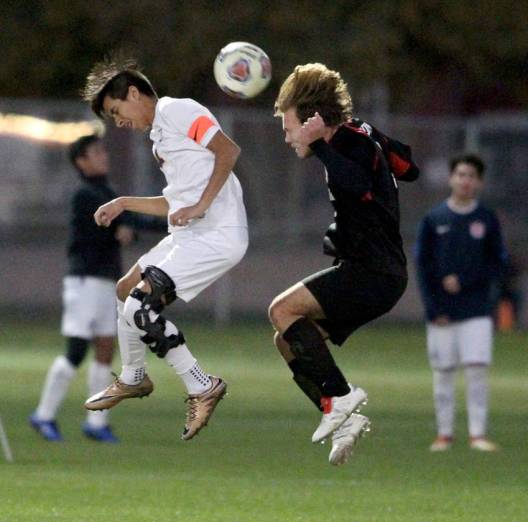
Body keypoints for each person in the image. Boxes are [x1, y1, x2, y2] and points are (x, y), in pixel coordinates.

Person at [80, 56, 248, 440]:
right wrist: (123, 202)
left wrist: (202, 206)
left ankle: (202, 385)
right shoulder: (160, 136)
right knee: (125, 291)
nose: (118, 121)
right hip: (192, 233)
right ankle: (134, 376)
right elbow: (176, 203)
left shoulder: (177, 110)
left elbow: (228, 151)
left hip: (218, 234)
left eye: (115, 110)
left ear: (134, 93)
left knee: (140, 306)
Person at [269, 63, 419, 466]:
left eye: (289, 129)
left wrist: (320, 145)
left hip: (374, 273)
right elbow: (410, 168)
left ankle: (343, 397)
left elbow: (357, 185)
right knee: (287, 339)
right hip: (373, 271)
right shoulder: (359, 134)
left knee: (280, 310)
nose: (288, 138)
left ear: (312, 121)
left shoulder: (347, 144)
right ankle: (342, 418)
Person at [30, 135, 136, 443]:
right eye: (96, 152)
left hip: (106, 282)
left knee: (105, 350)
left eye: (103, 150)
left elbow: (129, 224)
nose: (103, 156)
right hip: (84, 280)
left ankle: (96, 422)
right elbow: (96, 233)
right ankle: (43, 415)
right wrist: (119, 232)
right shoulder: (85, 195)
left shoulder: (108, 192)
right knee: (76, 351)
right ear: (81, 162)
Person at [415, 153, 508, 452]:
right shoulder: (434, 219)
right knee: (443, 371)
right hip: (442, 311)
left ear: (479, 182)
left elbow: (498, 264)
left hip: (477, 309)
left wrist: (466, 280)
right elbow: (423, 267)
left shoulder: (486, 219)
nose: (465, 181)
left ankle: (477, 434)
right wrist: (434, 308)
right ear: (451, 178)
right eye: (460, 175)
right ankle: (444, 434)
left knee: (477, 369)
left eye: (471, 176)